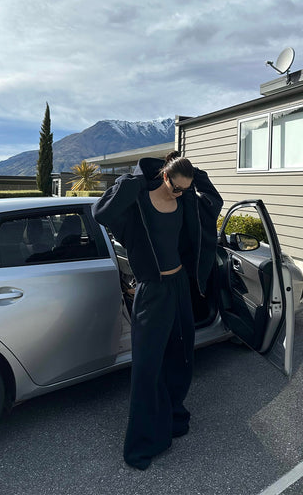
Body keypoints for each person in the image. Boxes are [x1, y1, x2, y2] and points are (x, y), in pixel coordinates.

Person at [92, 151, 223, 470]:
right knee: (147, 367)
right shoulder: (139, 199)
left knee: (180, 356)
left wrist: (195, 176)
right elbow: (101, 213)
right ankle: (143, 443)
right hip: (152, 291)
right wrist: (133, 180)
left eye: (185, 189)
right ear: (164, 176)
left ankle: (174, 417)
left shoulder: (185, 200)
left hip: (179, 286)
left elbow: (214, 203)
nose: (180, 193)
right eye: (176, 187)